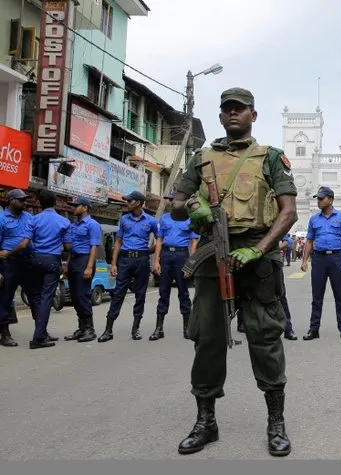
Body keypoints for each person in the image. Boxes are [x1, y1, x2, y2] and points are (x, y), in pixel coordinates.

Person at [171, 87, 298, 457]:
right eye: (226, 109)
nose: (232, 115)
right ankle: (206, 422)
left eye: (240, 109)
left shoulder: (270, 158)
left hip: (258, 257)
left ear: (253, 116)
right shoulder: (202, 158)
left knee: (265, 339)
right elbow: (176, 203)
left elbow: (288, 211)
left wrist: (258, 250)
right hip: (213, 257)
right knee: (208, 339)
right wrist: (194, 207)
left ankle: (276, 423)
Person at [97, 190, 159, 342]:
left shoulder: (151, 221)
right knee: (118, 294)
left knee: (140, 295)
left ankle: (135, 329)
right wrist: (113, 263)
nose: (127, 203)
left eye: (129, 201)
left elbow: (159, 240)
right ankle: (108, 330)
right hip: (124, 261)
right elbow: (118, 241)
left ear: (138, 203)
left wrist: (154, 255)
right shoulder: (124, 220)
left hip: (142, 260)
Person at [300, 186, 341, 340]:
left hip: (336, 259)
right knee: (317, 296)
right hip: (319, 259)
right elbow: (309, 240)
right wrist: (305, 260)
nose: (318, 201)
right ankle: (314, 329)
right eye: (317, 198)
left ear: (330, 200)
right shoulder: (314, 219)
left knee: (339, 295)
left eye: (321, 198)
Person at [21, 189, 71, 349]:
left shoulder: (33, 220)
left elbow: (26, 243)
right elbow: (68, 246)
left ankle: (42, 332)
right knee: (46, 299)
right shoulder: (64, 221)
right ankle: (38, 338)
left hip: (34, 259)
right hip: (51, 261)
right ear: (55, 202)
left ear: (39, 203)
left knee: (36, 297)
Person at [151, 191, 200, 341]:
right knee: (163, 292)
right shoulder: (164, 219)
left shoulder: (189, 219)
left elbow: (193, 242)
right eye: (168, 199)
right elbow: (159, 240)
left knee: (183, 293)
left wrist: (190, 264)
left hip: (181, 256)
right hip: (166, 256)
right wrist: (156, 261)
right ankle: (159, 329)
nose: (170, 202)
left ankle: (187, 328)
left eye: (172, 199)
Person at [62, 197, 102, 343]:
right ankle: (81, 328)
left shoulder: (92, 225)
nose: (73, 208)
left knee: (83, 295)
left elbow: (94, 247)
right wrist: (67, 264)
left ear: (85, 208)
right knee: (74, 296)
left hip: (85, 260)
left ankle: (90, 330)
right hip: (74, 260)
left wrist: (89, 267)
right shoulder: (73, 225)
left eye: (76, 206)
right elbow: (71, 249)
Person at [0, 189, 34, 348]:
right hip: (9, 263)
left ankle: (41, 332)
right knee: (5, 298)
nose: (24, 203)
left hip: (28, 262)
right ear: (11, 200)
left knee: (35, 296)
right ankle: (5, 334)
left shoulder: (29, 217)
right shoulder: (1, 218)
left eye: (25, 200)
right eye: (21, 200)